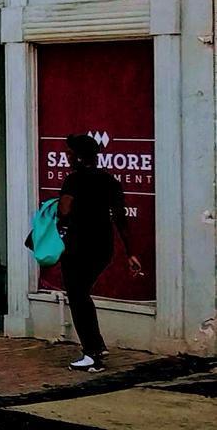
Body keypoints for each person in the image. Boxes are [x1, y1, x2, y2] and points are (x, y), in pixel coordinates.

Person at [57, 132, 142, 370]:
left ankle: (92, 354)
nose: (66, 156)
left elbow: (64, 210)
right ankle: (96, 345)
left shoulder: (73, 180)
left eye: (69, 153)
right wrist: (130, 253)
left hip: (77, 246)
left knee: (77, 296)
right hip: (103, 247)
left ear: (77, 156)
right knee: (82, 294)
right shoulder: (111, 181)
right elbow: (121, 219)